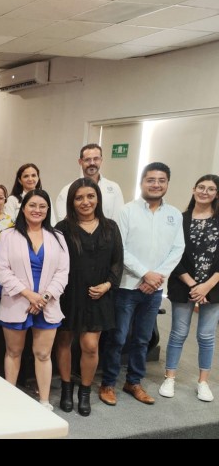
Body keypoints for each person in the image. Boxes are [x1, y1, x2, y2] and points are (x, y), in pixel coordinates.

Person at [100, 162, 185, 406]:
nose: (156, 184)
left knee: (143, 339)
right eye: (151, 180)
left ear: (167, 184)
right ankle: (108, 383)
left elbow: (177, 249)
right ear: (142, 182)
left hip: (154, 290)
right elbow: (120, 248)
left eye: (161, 180)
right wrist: (145, 274)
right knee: (118, 338)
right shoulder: (127, 211)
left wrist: (157, 277)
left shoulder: (174, 215)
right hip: (127, 287)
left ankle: (133, 382)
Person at [53, 178, 123, 416]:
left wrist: (108, 285)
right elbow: (56, 263)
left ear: (98, 199)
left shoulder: (110, 227)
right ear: (72, 201)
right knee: (64, 342)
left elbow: (117, 262)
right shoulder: (62, 229)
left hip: (99, 295)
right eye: (79, 197)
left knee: (90, 346)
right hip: (68, 295)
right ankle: (66, 388)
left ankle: (84, 391)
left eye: (90, 196)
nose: (85, 202)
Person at [0, 189, 69, 410]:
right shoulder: (8, 236)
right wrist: (29, 295)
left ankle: (44, 401)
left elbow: (63, 272)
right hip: (17, 301)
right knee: (13, 352)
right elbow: (2, 270)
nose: (37, 210)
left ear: (48, 210)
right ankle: (9, 398)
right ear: (23, 208)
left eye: (42, 206)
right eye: (32, 205)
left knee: (43, 354)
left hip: (48, 304)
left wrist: (43, 298)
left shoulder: (58, 237)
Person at [159, 174, 219, 402]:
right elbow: (173, 254)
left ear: (217, 194)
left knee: (206, 336)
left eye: (211, 189)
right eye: (201, 187)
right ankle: (170, 378)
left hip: (214, 286)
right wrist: (194, 285)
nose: (205, 192)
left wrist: (207, 286)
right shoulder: (180, 219)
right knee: (178, 333)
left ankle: (203, 382)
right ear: (194, 189)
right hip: (183, 284)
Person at [55, 143, 125, 222]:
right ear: (80, 162)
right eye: (87, 160)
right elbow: (64, 223)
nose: (92, 163)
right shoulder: (67, 190)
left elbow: (118, 219)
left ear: (101, 160)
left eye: (96, 159)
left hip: (108, 230)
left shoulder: (114, 188)